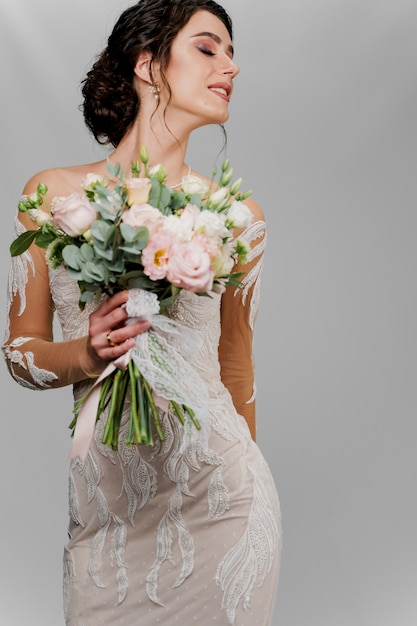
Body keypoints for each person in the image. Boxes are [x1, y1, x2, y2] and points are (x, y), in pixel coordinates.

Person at [3, 0, 281, 624]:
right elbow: (19, 353)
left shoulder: (238, 218)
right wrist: (85, 352)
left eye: (232, 53)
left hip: (222, 501)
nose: (230, 66)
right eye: (209, 48)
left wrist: (247, 475)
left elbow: (236, 367)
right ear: (148, 65)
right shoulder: (52, 198)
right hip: (107, 513)